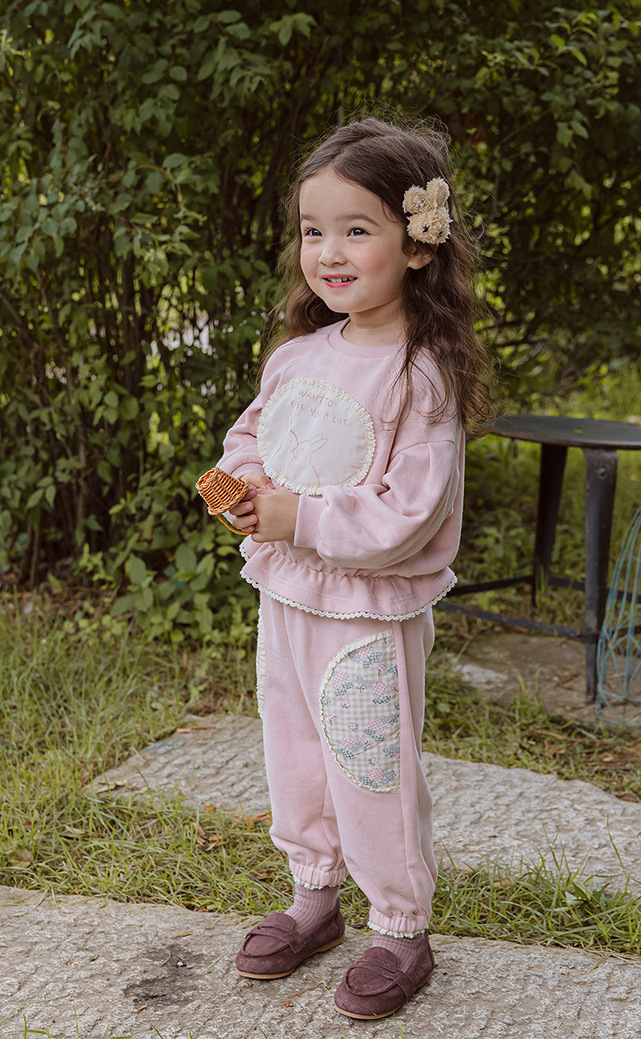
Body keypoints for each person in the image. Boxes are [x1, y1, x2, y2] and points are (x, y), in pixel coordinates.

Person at [211, 117, 492, 1020]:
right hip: (286, 595)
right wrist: (245, 485)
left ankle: (401, 926)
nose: (328, 252)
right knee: (294, 749)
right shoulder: (297, 355)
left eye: (356, 229)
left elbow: (409, 514)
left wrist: (298, 516)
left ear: (418, 245)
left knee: (370, 763)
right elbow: (253, 435)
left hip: (367, 612)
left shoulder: (421, 376)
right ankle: (314, 896)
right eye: (313, 230)